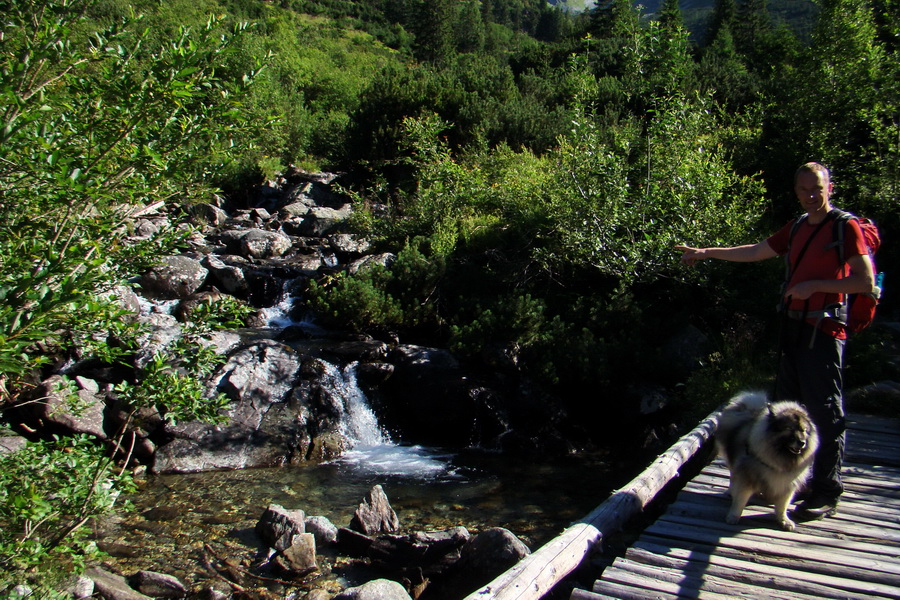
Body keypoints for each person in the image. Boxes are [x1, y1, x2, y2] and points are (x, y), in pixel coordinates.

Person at [675, 162, 876, 520]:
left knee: (825, 412)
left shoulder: (844, 228)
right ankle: (779, 482)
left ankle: (826, 490)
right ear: (796, 192)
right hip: (795, 328)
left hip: (824, 331)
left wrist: (813, 286)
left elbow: (864, 281)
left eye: (817, 188)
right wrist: (707, 253)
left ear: (830, 187)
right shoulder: (798, 226)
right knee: (789, 411)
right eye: (804, 190)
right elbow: (756, 251)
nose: (811, 196)